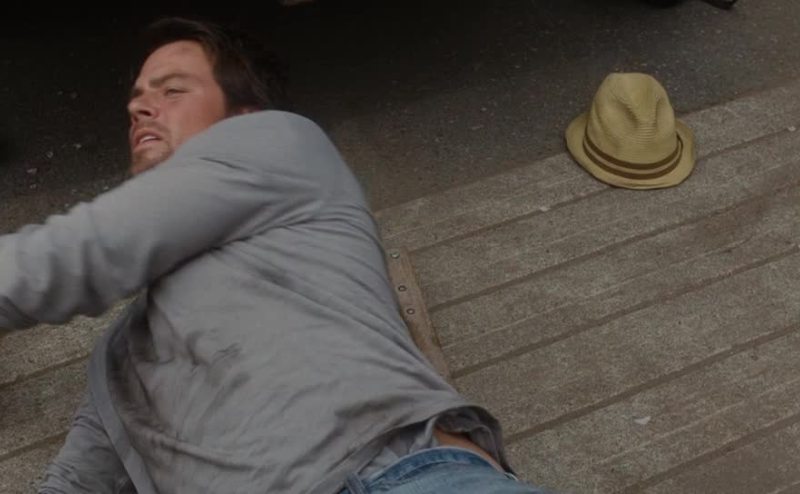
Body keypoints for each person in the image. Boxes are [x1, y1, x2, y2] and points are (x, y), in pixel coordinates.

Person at [0, 17, 547, 494]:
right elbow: (76, 479)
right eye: (139, 96)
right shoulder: (122, 349)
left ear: (243, 113)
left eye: (172, 90)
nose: (139, 106)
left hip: (389, 475)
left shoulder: (281, 144)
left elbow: (69, 257)